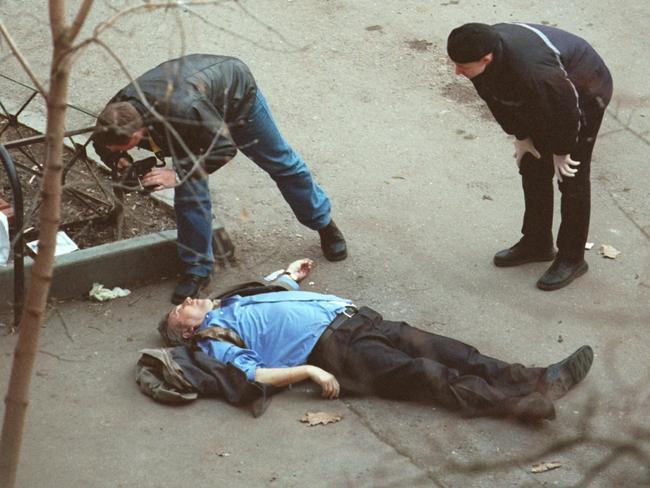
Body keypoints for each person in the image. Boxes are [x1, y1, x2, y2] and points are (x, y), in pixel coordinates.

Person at [157, 258, 595, 421]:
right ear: (187, 331)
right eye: (181, 309)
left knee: (454, 351)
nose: (189, 299)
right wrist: (309, 370)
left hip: (359, 320)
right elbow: (255, 372)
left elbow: (272, 302)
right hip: (336, 350)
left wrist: (289, 276)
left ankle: (539, 378)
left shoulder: (228, 304)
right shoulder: (212, 340)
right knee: (429, 375)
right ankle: (518, 404)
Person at [92, 54, 347, 304]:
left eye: (124, 147)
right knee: (190, 192)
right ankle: (198, 269)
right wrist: (118, 160)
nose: (118, 149)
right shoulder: (116, 113)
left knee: (282, 163)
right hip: (188, 123)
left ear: (139, 131)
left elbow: (223, 149)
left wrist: (177, 173)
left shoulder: (185, 108)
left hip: (236, 100)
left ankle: (323, 223)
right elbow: (103, 143)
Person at [447, 23, 613, 290]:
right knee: (532, 163)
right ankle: (537, 242)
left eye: (462, 67)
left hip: (585, 89)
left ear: (486, 59)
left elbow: (567, 111)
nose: (457, 71)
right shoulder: (482, 49)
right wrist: (521, 136)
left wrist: (562, 151)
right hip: (549, 91)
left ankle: (572, 257)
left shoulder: (535, 73)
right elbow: (495, 98)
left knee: (571, 176)